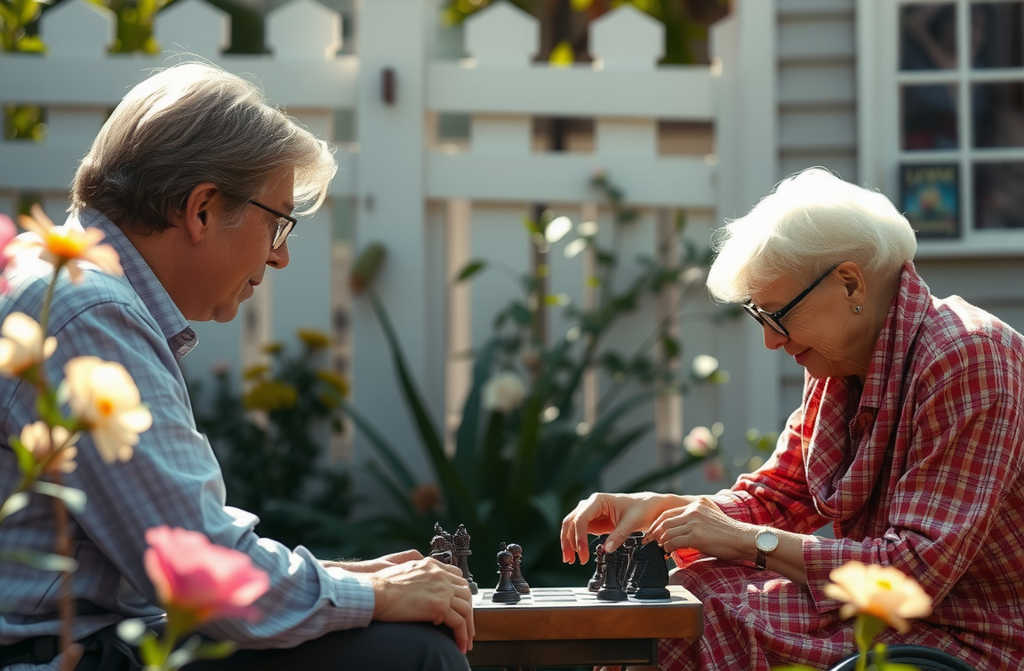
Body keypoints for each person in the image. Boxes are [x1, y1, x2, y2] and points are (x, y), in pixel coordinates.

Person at [0, 63, 473, 671]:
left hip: (80, 640)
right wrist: (370, 595)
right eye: (277, 221)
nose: (279, 255)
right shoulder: (89, 311)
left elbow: (180, 551)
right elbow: (194, 571)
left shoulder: (69, 286)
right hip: (50, 657)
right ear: (201, 209)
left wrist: (339, 578)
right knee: (414, 656)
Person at [560, 168, 1024, 670]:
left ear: (850, 283)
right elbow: (781, 497)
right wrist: (664, 509)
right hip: (884, 621)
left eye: (778, 316)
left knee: (699, 613)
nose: (771, 340)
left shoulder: (970, 356)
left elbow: (912, 571)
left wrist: (744, 541)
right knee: (686, 598)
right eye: (760, 318)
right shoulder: (840, 357)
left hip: (974, 641)